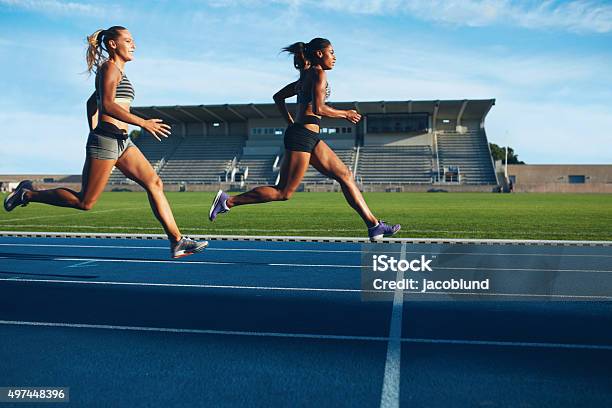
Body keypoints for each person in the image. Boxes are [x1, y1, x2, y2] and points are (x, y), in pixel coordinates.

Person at [3, 26, 207, 258]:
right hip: (107, 142)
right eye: (128, 40)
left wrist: (96, 129)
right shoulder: (109, 68)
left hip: (122, 142)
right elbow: (107, 105)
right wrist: (141, 124)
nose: (134, 45)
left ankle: (177, 241)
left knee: (154, 183)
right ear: (112, 44)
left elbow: (92, 103)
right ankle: (28, 194)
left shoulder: (119, 72)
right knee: (85, 202)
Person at [209, 38, 400, 241]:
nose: (334, 57)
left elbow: (278, 97)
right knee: (283, 192)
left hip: (308, 136)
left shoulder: (306, 76)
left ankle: (374, 226)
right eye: (332, 52)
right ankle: (228, 202)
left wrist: (290, 121)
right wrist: (345, 114)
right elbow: (318, 109)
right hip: (301, 137)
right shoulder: (318, 73)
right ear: (319, 54)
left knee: (345, 174)